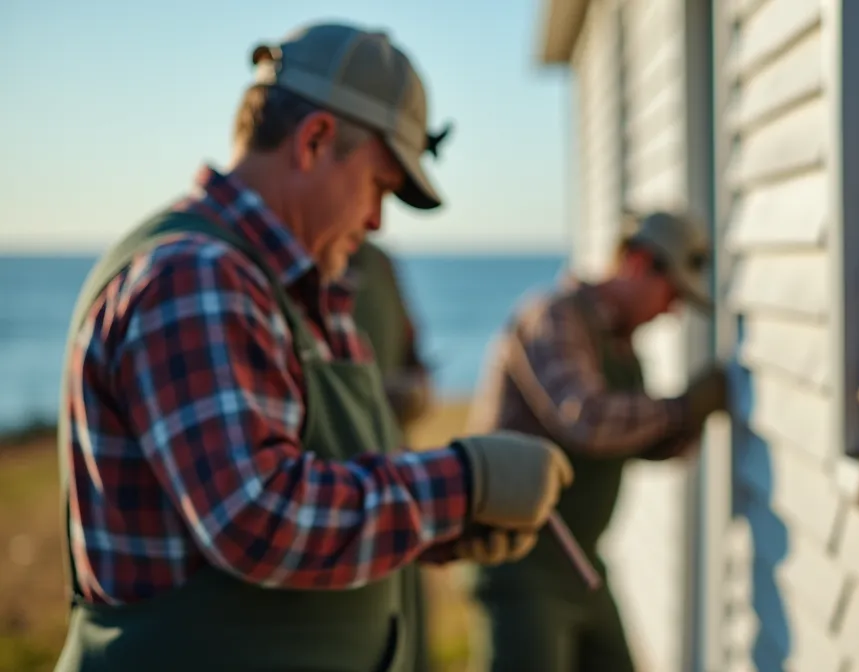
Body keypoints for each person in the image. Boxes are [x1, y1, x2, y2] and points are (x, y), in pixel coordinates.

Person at [52, 21, 573, 672]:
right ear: (316, 140)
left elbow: (330, 486)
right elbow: (258, 516)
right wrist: (466, 481)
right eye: (380, 186)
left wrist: (445, 530)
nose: (379, 221)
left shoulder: (298, 288)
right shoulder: (194, 277)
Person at [465, 210, 730, 672]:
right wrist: (681, 409)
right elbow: (586, 418)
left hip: (580, 562)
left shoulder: (623, 348)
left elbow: (634, 441)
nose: (672, 310)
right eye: (671, 294)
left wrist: (686, 424)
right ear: (637, 263)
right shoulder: (553, 318)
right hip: (522, 562)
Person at [348, 238, 439, 672]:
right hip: (336, 509)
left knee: (407, 640)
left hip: (395, 489)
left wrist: (415, 389)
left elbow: (413, 350)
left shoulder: (381, 266)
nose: (375, 217)